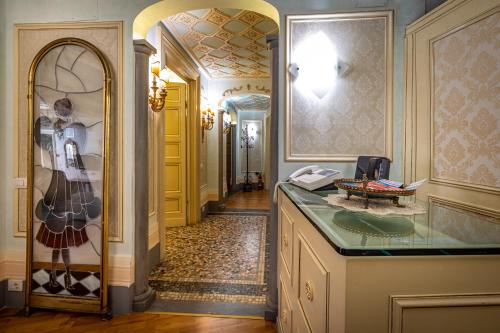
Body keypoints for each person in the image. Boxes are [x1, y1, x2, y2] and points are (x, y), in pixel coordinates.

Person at [34, 98, 101, 290]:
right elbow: (52, 156)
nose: (62, 112)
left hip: (71, 183)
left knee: (66, 233)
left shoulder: (74, 130)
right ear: (55, 111)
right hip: (59, 182)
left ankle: (66, 276)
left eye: (64, 109)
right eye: (59, 110)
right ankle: (56, 275)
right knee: (56, 232)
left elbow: (75, 158)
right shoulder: (52, 132)